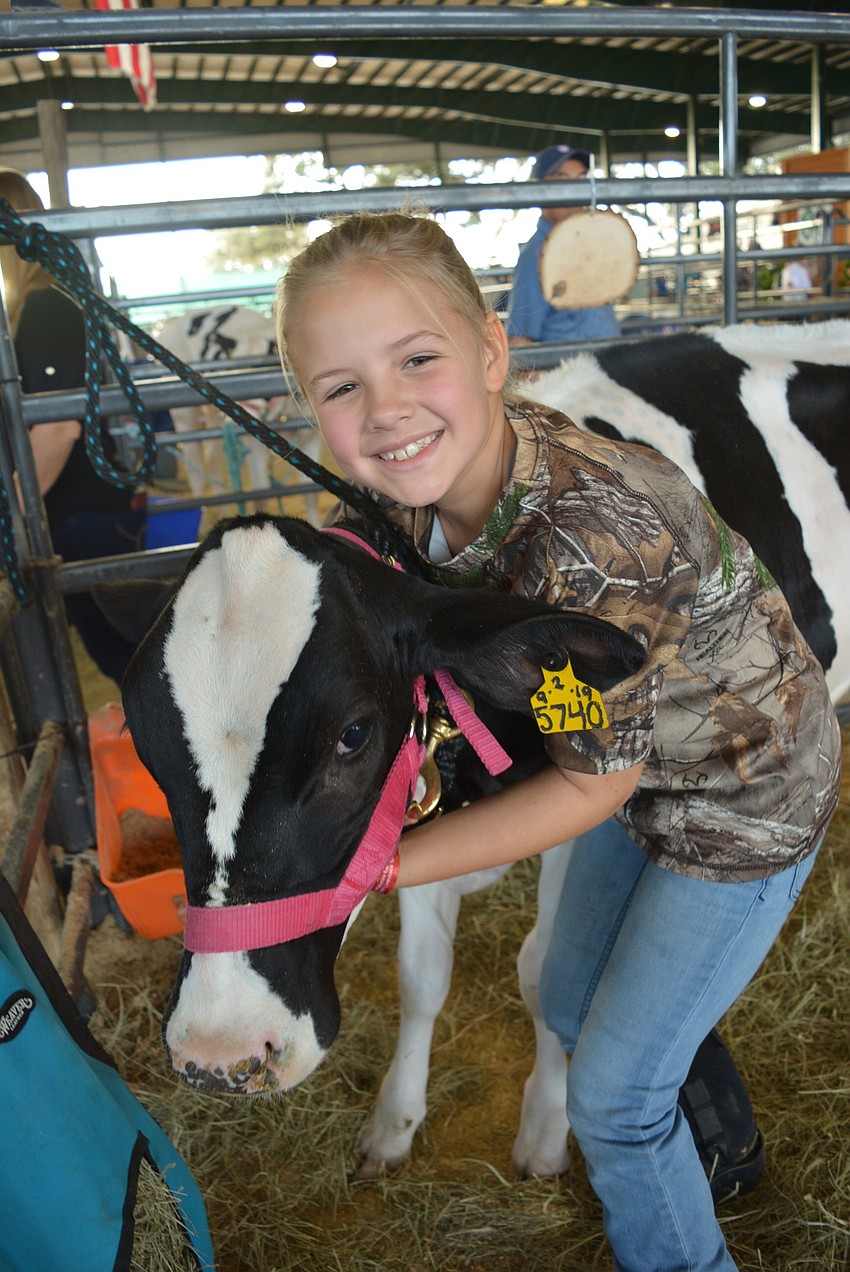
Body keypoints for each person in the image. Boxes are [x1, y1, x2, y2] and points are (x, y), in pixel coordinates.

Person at [274, 209, 841, 1272]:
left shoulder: (591, 543)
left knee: (621, 1102)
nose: (385, 409)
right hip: (642, 767)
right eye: (340, 386)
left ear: (494, 351)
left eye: (416, 360)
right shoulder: (414, 492)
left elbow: (587, 784)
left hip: (743, 790)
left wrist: (370, 869)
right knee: (571, 1001)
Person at [0, 168, 147, 684]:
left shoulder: (44, 307)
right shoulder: (52, 300)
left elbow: (59, 427)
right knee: (125, 653)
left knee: (125, 657)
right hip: (83, 509)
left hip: (80, 514)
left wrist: (11, 514)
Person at [506, 144, 622, 345]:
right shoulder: (536, 256)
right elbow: (519, 341)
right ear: (540, 190)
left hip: (606, 369)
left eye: (581, 179)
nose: (575, 190)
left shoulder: (588, 247)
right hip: (573, 373)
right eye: (562, 179)